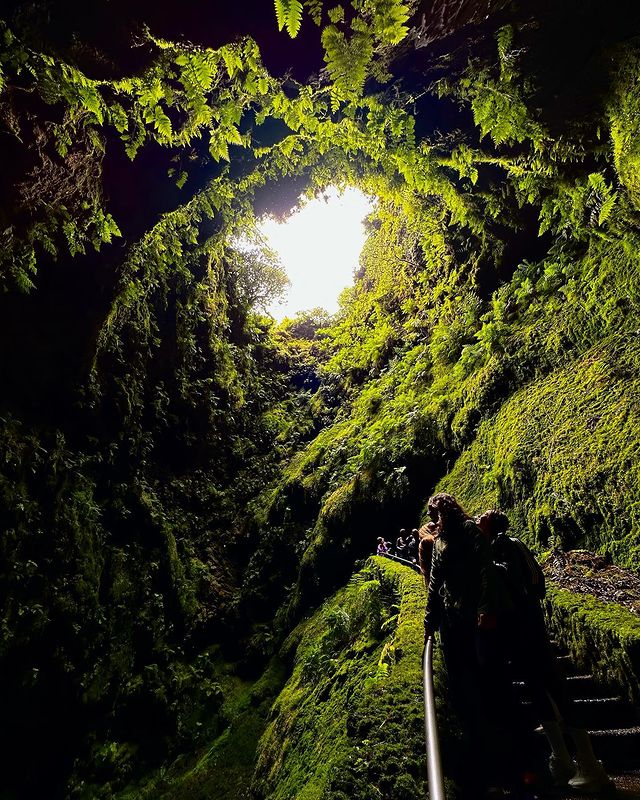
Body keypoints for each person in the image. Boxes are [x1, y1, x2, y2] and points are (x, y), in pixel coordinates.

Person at [476, 509, 613, 793]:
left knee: (552, 689)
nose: (477, 521)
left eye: (482, 518)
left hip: (524, 627)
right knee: (539, 690)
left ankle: (588, 762)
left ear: (490, 525)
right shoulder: (506, 545)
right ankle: (562, 758)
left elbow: (519, 583)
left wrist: (488, 568)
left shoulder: (503, 546)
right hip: (525, 627)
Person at [423, 493, 517, 796]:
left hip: (475, 620)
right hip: (453, 623)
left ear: (447, 510)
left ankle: (510, 766)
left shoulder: (468, 532)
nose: (436, 519)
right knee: (464, 690)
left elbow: (485, 569)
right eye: (434, 514)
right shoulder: (440, 541)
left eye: (437, 513)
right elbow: (435, 583)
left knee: (489, 683)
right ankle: (484, 764)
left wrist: (486, 609)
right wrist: (429, 620)